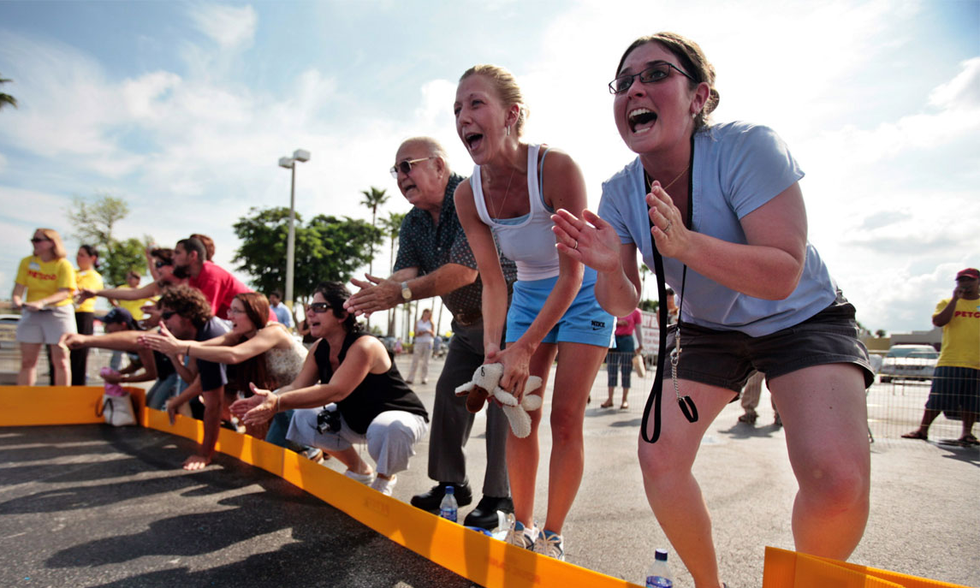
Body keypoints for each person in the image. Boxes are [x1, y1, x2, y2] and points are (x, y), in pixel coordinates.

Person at [551, 33, 874, 586]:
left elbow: (781, 272)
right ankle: (709, 584)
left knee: (835, 477)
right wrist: (608, 267)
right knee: (659, 457)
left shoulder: (749, 146)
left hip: (802, 316)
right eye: (623, 82)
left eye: (655, 74)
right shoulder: (619, 191)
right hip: (707, 329)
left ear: (699, 96)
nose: (635, 90)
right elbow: (621, 302)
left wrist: (685, 246)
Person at [453, 65, 614, 559]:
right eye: (457, 109)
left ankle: (552, 534)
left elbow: (571, 276)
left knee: (565, 417)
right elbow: (494, 281)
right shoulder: (468, 194)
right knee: (519, 411)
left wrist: (527, 347)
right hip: (525, 293)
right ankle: (521, 527)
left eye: (475, 104)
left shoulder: (556, 168)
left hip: (582, 289)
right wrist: (495, 352)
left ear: (511, 115)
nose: (463, 118)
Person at [343, 136, 516, 529]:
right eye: (396, 170)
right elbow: (406, 275)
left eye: (409, 165)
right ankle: (452, 486)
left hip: (508, 319)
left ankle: (500, 496)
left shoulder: (470, 196)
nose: (401, 176)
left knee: (503, 405)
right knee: (448, 397)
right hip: (466, 326)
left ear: (439, 166)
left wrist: (398, 293)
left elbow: (464, 270)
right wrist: (379, 293)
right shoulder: (415, 220)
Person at [231, 282, 429, 497]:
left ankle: (385, 477)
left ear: (342, 315)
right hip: (354, 419)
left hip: (399, 419)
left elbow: (336, 391)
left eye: (319, 308)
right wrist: (269, 398)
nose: (309, 313)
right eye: (309, 308)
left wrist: (277, 403)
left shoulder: (365, 345)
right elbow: (297, 386)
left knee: (386, 427)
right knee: (304, 414)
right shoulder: (319, 348)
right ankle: (360, 469)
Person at [142, 292, 310, 451]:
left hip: (306, 396)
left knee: (287, 446)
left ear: (253, 312)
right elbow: (205, 346)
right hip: (282, 398)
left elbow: (233, 355)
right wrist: (176, 347)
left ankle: (311, 448)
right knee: (272, 450)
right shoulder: (239, 335)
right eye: (230, 310)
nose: (229, 316)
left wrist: (181, 347)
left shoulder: (273, 331)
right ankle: (304, 446)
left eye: (236, 311)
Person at [152, 285, 230, 470]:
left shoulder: (209, 336)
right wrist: (173, 355)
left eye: (166, 316)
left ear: (187, 314)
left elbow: (214, 405)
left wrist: (204, 455)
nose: (162, 323)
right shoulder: (198, 335)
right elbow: (193, 378)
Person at [902, 268, 980, 446]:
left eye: (969, 280)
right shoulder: (947, 302)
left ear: (978, 282)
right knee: (938, 397)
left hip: (976, 363)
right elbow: (939, 321)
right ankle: (923, 429)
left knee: (972, 400)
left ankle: (967, 433)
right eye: (961, 281)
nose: (965, 284)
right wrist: (955, 300)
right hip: (951, 360)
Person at [12, 228, 77, 386]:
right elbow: (19, 288)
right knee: (27, 361)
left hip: (58, 312)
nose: (34, 243)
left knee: (61, 361)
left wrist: (42, 302)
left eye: (38, 240)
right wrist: (16, 300)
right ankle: (25, 399)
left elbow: (65, 292)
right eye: (33, 240)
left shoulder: (63, 265)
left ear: (51, 243)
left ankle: (61, 400)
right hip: (32, 313)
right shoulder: (26, 262)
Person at [172, 237, 258, 321]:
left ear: (192, 255)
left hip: (260, 326)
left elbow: (204, 316)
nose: (172, 257)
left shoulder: (211, 274)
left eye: (177, 253)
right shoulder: (194, 278)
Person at [71, 245, 104, 385]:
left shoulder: (94, 276)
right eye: (77, 254)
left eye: (82, 255)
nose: (78, 258)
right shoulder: (71, 271)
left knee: (78, 355)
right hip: (67, 313)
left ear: (93, 258)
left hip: (83, 314)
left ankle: (77, 386)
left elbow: (79, 293)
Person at [603, 307, 643, 409]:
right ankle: (609, 398)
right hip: (613, 339)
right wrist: (618, 323)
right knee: (611, 369)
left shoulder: (636, 312)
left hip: (627, 340)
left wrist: (640, 343)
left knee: (626, 370)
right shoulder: (614, 308)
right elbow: (606, 322)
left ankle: (624, 400)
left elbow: (638, 328)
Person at [407, 308, 435, 384]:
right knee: (415, 360)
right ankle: (411, 378)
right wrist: (420, 333)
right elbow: (415, 334)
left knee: (426, 361)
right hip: (419, 342)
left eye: (428, 313)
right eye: (425, 313)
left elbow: (433, 334)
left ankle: (424, 378)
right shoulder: (418, 322)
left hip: (428, 342)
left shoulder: (431, 323)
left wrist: (429, 331)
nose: (426, 315)